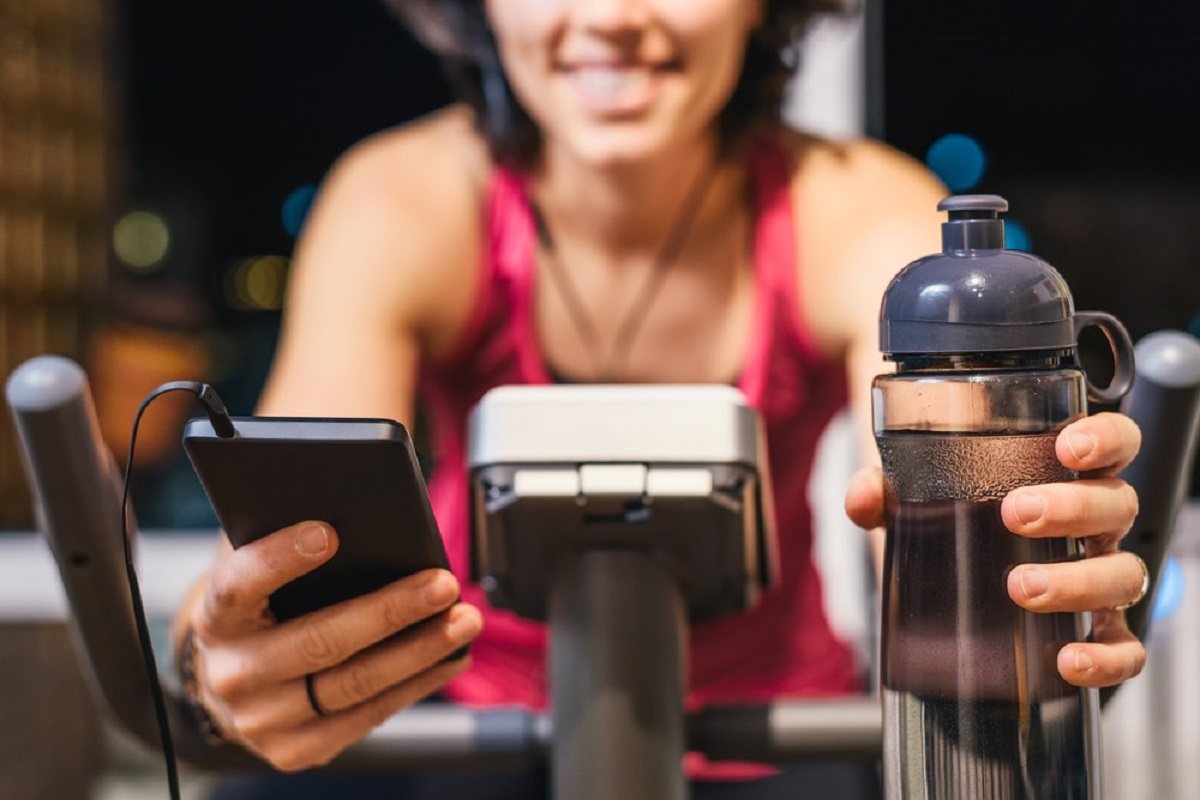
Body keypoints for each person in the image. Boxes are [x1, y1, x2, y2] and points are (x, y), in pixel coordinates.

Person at [174, 1, 1148, 796]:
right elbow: (287, 561)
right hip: (475, 721)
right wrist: (218, 659)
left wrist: (1028, 582)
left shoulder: (854, 208)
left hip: (773, 737)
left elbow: (945, 541)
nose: (611, 18)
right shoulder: (405, 200)